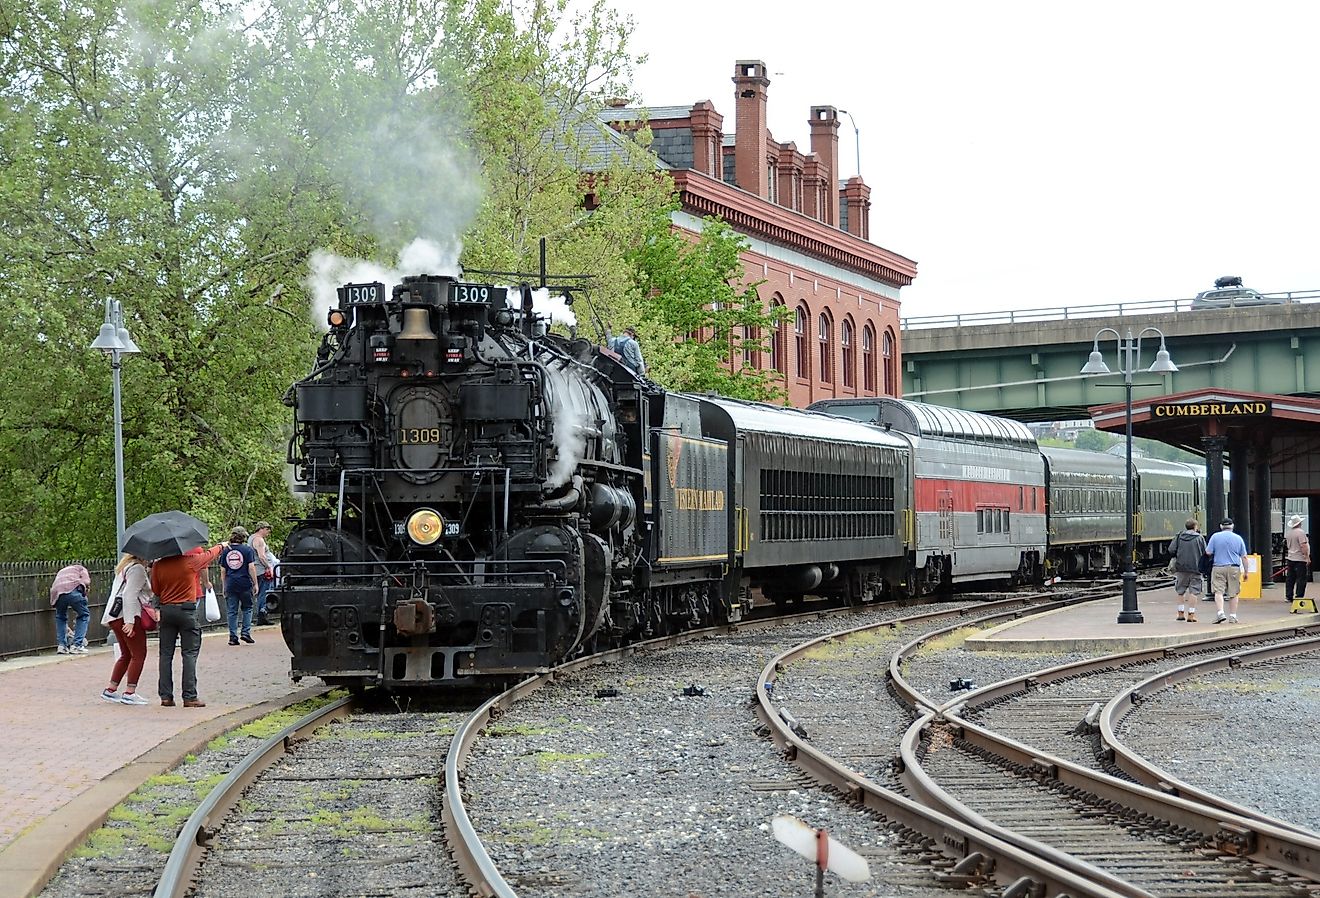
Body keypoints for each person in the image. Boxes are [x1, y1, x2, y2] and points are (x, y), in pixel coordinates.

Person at [152, 541, 226, 707]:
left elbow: (156, 590)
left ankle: (165, 696)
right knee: (189, 654)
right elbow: (209, 555)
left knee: (165, 655)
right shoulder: (190, 561)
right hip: (187, 611)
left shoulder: (158, 565)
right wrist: (221, 546)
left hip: (167, 611)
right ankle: (190, 696)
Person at [100, 554, 155, 704]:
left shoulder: (125, 567)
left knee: (126, 654)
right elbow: (129, 595)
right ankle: (130, 692)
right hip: (128, 615)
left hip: (115, 617)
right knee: (138, 654)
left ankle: (111, 689)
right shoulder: (137, 569)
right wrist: (130, 621)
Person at [1205, 518, 1248, 624]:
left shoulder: (1215, 537)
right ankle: (1233, 616)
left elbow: (1208, 552)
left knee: (1218, 591)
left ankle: (1220, 613)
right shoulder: (1238, 538)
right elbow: (1244, 557)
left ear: (1221, 526)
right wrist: (1246, 572)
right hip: (1234, 568)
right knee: (1233, 593)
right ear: (1232, 526)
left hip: (1218, 567)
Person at [221, 526, 260, 645]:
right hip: (244, 583)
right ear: (243, 537)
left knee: (232, 611)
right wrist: (255, 583)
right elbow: (251, 567)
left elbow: (223, 570)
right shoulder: (247, 550)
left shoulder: (226, 550)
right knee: (247, 608)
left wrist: (224, 585)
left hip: (231, 583)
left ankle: (233, 637)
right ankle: (245, 632)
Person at [1167, 518, 1206, 622]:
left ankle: (1180, 613)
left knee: (1180, 591)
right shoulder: (1200, 538)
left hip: (1181, 567)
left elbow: (1171, 550)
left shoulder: (1179, 536)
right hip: (1196, 568)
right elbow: (1205, 552)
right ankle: (1191, 614)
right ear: (1195, 527)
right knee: (1194, 591)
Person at [49, 563, 91, 655]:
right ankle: (77, 645)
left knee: (60, 617)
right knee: (84, 615)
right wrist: (84, 593)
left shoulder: (62, 571)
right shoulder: (81, 569)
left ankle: (62, 646)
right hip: (72, 590)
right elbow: (86, 581)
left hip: (57, 593)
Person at [250, 521, 275, 626]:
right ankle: (262, 614)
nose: (268, 532)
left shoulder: (251, 538)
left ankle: (261, 614)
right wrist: (268, 566)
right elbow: (261, 556)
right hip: (261, 570)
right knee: (264, 592)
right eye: (267, 529)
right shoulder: (259, 540)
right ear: (261, 529)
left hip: (257, 569)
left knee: (261, 592)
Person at [1284, 513, 1310, 606]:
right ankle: (1299, 597)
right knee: (1301, 578)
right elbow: (1303, 545)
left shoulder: (1289, 533)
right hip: (1300, 559)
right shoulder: (1301, 532)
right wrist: (1307, 557)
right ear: (1299, 523)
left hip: (1291, 558)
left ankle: (1288, 596)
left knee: (1290, 578)